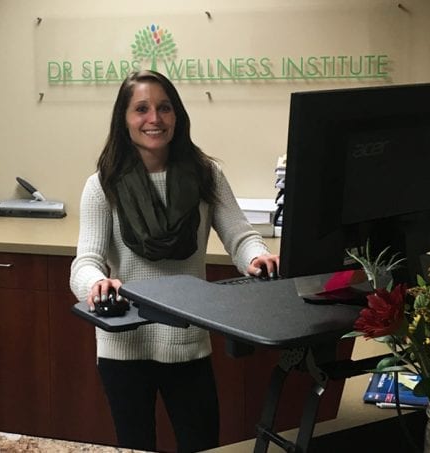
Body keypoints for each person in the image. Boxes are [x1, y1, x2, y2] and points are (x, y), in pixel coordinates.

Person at [69, 69, 279, 452]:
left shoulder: (206, 175)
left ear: (177, 115)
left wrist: (258, 257)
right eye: (142, 109)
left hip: (186, 341)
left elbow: (240, 235)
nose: (155, 119)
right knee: (135, 446)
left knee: (201, 444)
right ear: (124, 120)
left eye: (164, 108)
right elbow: (85, 262)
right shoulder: (102, 185)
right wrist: (95, 284)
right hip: (123, 348)